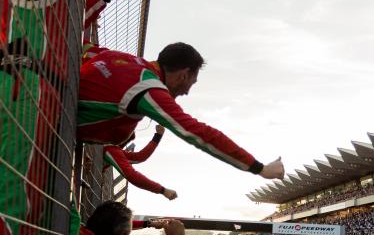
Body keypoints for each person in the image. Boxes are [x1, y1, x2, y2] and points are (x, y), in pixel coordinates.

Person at [78, 43, 285, 180]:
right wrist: (260, 169)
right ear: (184, 75)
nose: (186, 92)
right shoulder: (148, 88)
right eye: (192, 83)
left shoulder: (121, 57)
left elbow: (86, 49)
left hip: (55, 109)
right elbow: (196, 133)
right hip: (52, 126)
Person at [103, 125, 178, 200]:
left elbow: (139, 157)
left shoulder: (112, 149)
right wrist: (162, 190)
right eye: (127, 138)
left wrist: (158, 136)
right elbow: (132, 175)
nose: (126, 142)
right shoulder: (111, 150)